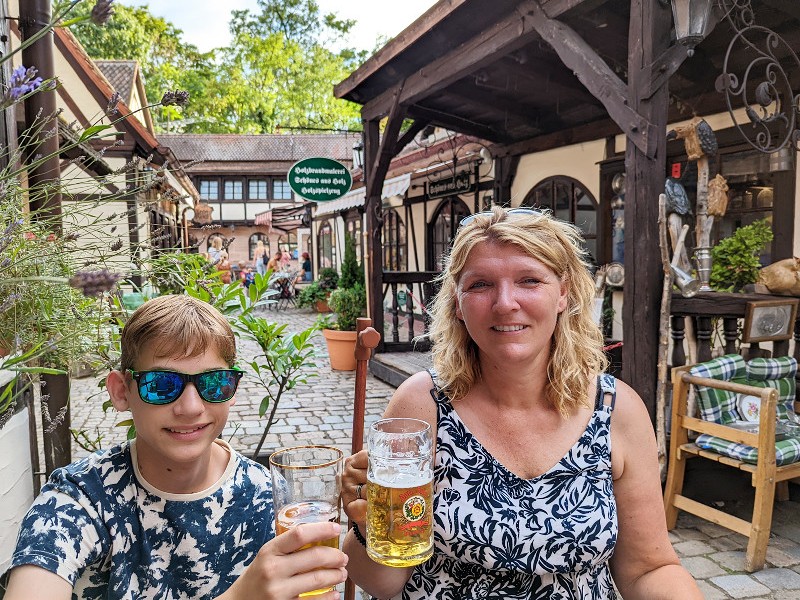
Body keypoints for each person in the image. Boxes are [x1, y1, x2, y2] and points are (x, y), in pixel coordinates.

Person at [341, 207, 701, 599]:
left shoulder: (618, 410)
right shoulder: (422, 405)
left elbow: (649, 568)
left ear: (563, 293)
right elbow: (381, 582)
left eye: (529, 280)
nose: (505, 303)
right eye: (480, 285)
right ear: (458, 304)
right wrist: (367, 521)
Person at [4, 295, 348, 599]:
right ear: (122, 391)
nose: (190, 407)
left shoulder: (267, 496)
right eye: (162, 384)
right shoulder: (81, 500)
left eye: (213, 383)